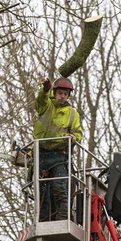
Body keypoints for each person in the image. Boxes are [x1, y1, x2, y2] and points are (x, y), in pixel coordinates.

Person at [33, 77, 83, 221]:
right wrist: (45, 89)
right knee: (42, 191)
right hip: (42, 155)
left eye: (65, 94)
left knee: (59, 187)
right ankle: (43, 220)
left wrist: (74, 137)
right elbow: (40, 101)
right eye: (60, 93)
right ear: (54, 93)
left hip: (59, 156)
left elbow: (78, 133)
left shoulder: (73, 114)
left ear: (68, 96)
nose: (62, 96)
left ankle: (63, 218)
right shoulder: (47, 106)